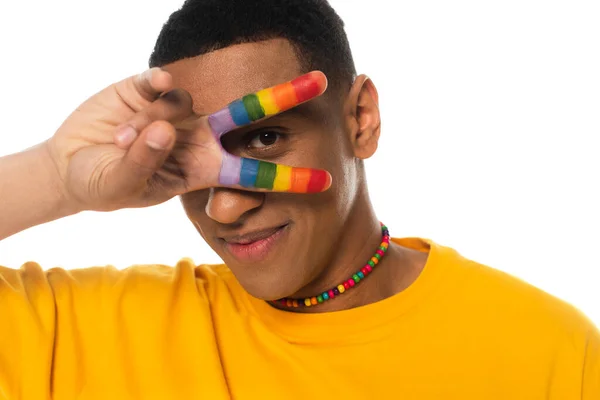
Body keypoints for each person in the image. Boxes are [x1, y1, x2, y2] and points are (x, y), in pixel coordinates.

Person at [0, 0, 598, 398]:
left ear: (360, 118)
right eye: (186, 156)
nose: (223, 209)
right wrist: (53, 176)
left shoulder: (548, 353)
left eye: (265, 138)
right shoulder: (98, 329)